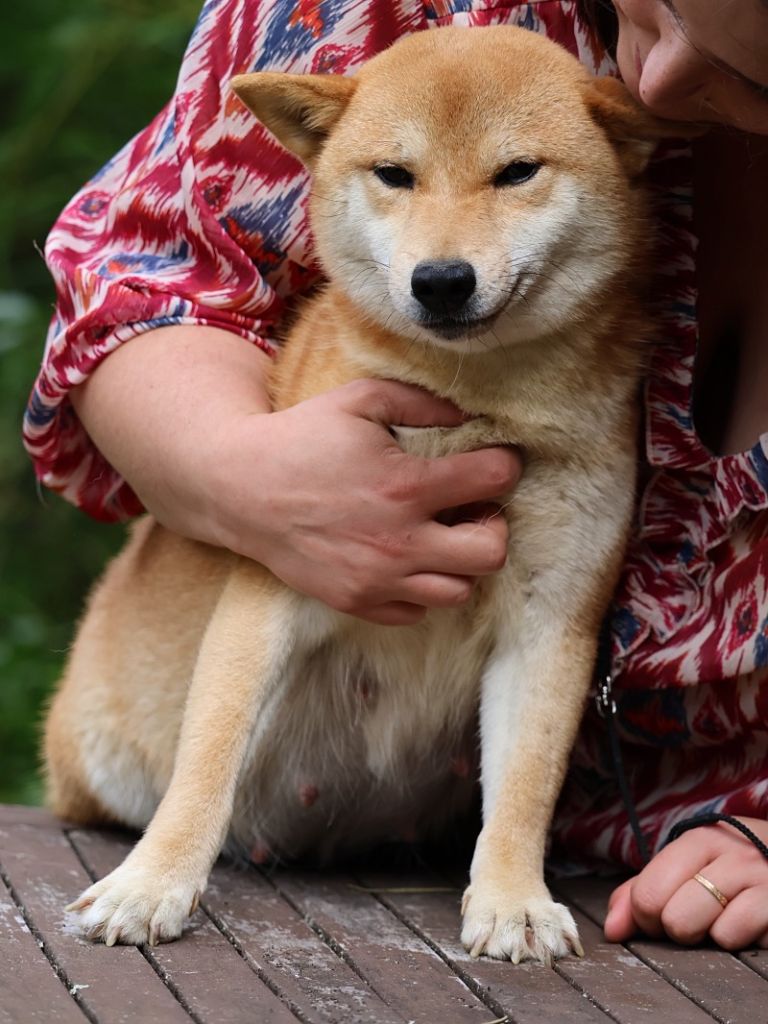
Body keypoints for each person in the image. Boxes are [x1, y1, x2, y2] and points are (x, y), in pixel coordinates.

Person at [24, 0, 768, 951]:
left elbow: (544, 628)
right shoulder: (371, 31)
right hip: (155, 764)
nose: (656, 82)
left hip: (600, 871)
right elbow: (132, 273)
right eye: (659, 11)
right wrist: (243, 478)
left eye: (748, 71)